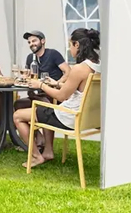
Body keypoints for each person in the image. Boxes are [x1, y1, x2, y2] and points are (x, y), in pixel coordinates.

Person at [14, 28, 101, 168]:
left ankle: (37, 156)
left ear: (77, 45)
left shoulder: (79, 69)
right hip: (86, 118)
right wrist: (57, 83)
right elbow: (76, 89)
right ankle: (47, 151)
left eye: (70, 45)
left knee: (17, 115)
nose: (70, 48)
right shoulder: (98, 66)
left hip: (68, 117)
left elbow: (62, 96)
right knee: (38, 106)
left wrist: (40, 85)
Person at [14, 30, 71, 111]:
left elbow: (68, 72)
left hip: (52, 95)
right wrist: (24, 78)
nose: (31, 44)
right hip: (36, 94)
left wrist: (56, 84)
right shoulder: (30, 57)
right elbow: (27, 76)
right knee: (18, 104)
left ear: (43, 41)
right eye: (29, 42)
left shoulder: (53, 54)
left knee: (44, 104)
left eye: (34, 41)